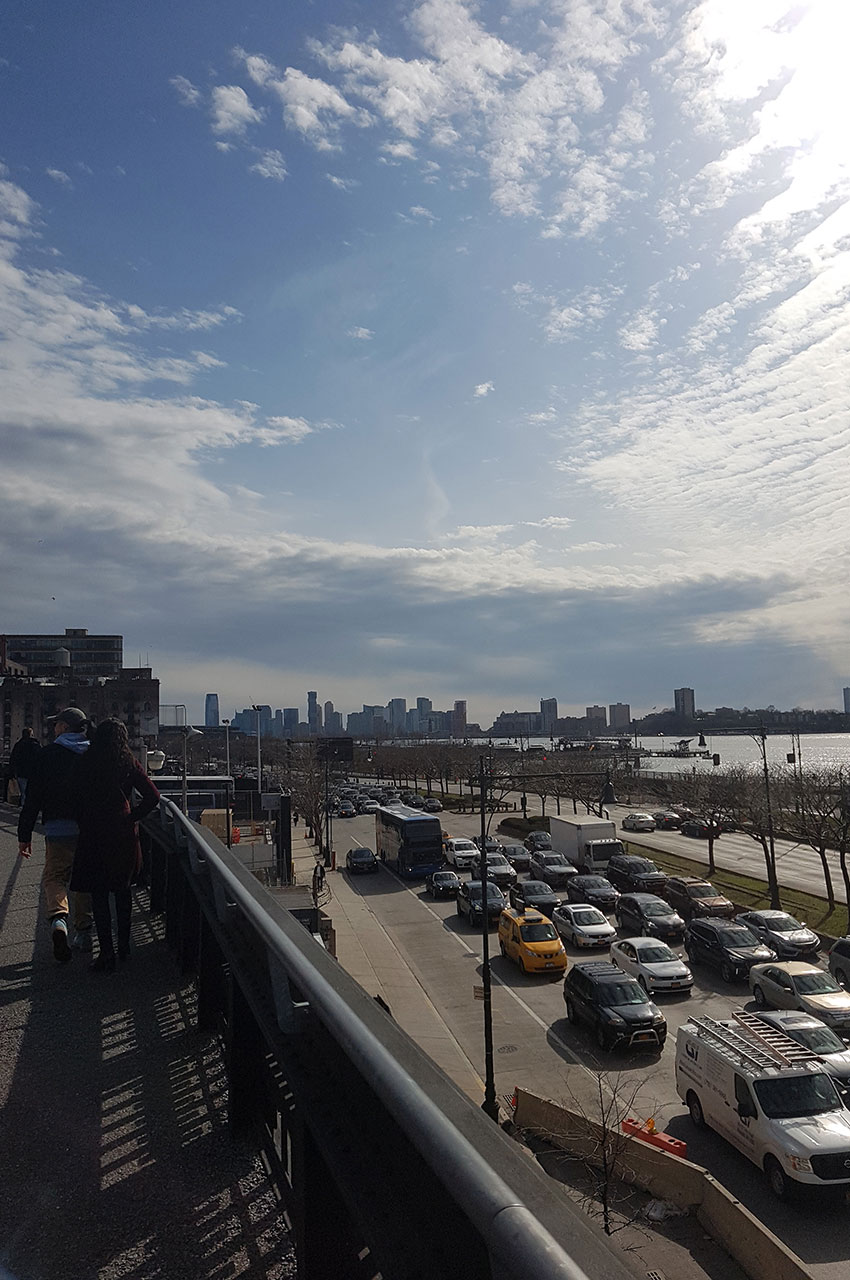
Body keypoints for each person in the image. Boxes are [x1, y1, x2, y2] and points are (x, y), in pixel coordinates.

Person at [70, 719, 160, 973]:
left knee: (98, 895)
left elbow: (74, 797)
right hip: (122, 836)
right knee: (123, 892)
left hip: (94, 834)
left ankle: (106, 953)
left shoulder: (86, 762)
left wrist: (84, 821)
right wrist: (132, 817)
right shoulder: (128, 763)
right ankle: (125, 947)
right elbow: (153, 796)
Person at [18, 707, 94, 963]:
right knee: (83, 879)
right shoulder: (93, 754)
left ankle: (60, 920)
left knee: (54, 877)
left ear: (63, 727)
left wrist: (24, 833)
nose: (53, 728)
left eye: (56, 724)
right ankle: (84, 933)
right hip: (87, 829)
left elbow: (34, 797)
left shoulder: (48, 754)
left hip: (56, 828)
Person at [9, 727, 42, 803]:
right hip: (34, 773)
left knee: (23, 793)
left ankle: (23, 809)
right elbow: (41, 758)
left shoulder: (18, 745)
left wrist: (12, 773)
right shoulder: (36, 745)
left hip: (21, 773)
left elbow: (13, 759)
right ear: (31, 734)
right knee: (33, 793)